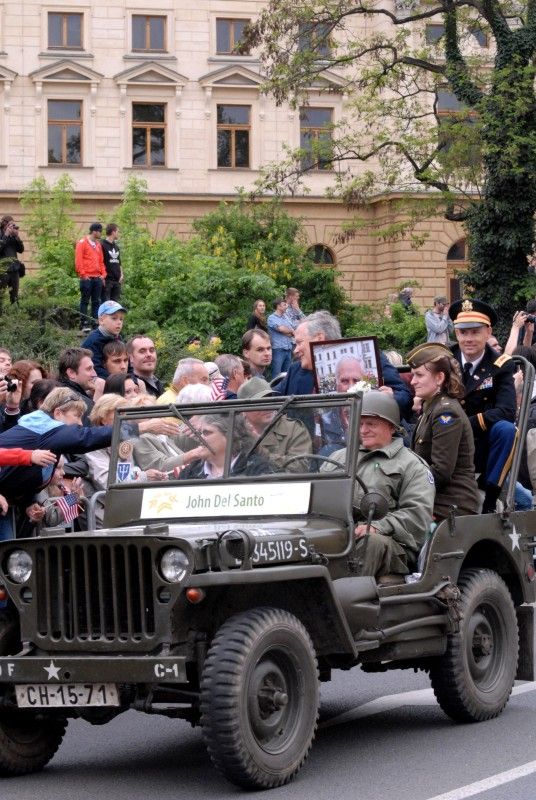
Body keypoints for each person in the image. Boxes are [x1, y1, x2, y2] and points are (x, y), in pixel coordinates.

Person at [322, 391, 435, 579]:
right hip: (343, 533)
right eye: (360, 423)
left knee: (371, 542)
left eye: (371, 424)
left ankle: (345, 599)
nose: (363, 429)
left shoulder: (412, 465)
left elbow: (417, 516)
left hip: (392, 545)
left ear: (391, 427)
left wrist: (378, 526)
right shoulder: (339, 458)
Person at [276, 311, 413, 421]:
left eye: (299, 343)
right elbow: (270, 398)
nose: (295, 350)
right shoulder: (295, 371)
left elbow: (405, 398)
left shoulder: (370, 359)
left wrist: (389, 398)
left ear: (318, 338)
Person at [449, 298, 517, 513]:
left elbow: (507, 411)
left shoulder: (501, 365)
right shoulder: (444, 359)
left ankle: (489, 496)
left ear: (488, 333)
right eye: (463, 332)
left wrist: (465, 424)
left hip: (482, 443)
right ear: (456, 333)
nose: (468, 339)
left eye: (475, 332)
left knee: (507, 430)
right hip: (446, 437)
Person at [407, 343, 479, 519]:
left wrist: (404, 487)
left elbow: (440, 472)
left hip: (451, 504)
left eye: (419, 375)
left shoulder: (445, 412)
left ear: (439, 378)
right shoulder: (431, 408)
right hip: (434, 500)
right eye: (413, 375)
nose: (413, 381)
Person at [237, 377, 313, 471]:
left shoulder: (293, 429)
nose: (267, 406)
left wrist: (262, 452)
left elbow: (300, 468)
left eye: (269, 400)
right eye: (259, 402)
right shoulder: (235, 433)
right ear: (243, 410)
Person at [179, 413, 272, 480]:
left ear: (230, 436)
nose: (200, 438)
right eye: (200, 433)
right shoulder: (190, 472)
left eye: (206, 433)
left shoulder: (258, 470)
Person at [82, 300, 127, 379]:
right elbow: (95, 369)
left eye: (121, 319)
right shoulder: (93, 341)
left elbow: (127, 362)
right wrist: (117, 381)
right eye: (114, 318)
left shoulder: (118, 338)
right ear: (101, 320)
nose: (119, 322)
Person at [75, 222, 106, 330]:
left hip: (97, 277)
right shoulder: (82, 242)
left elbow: (101, 261)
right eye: (100, 231)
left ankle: (94, 323)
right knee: (85, 301)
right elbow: (78, 260)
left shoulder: (98, 245)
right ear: (94, 231)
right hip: (87, 277)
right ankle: (83, 323)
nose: (101, 234)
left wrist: (103, 274)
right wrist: (83, 274)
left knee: (96, 301)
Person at [57, 347, 98, 424]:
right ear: (71, 373)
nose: (95, 374)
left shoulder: (53, 394)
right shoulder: (82, 404)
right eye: (89, 369)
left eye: (93, 368)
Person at [0, 215, 25, 303]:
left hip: (14, 270)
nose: (12, 227)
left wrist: (17, 237)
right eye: (11, 225)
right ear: (4, 224)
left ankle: (15, 315)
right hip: (3, 271)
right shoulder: (1, 235)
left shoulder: (13, 236)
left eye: (13, 225)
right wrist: (5, 235)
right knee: (1, 296)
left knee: (15, 297)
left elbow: (21, 250)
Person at [267, 297, 294, 377]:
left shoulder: (286, 317)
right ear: (278, 306)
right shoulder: (271, 318)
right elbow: (281, 329)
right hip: (278, 350)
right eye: (284, 304)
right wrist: (288, 331)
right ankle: (275, 389)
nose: (286, 306)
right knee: (276, 375)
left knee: (287, 375)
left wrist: (288, 331)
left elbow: (291, 330)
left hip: (288, 349)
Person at [101, 223, 123, 302]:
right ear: (113, 232)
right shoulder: (102, 245)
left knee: (115, 306)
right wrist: (102, 276)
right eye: (118, 231)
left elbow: (119, 262)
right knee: (106, 304)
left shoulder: (116, 246)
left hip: (117, 281)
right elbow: (100, 262)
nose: (119, 233)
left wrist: (121, 274)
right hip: (107, 280)